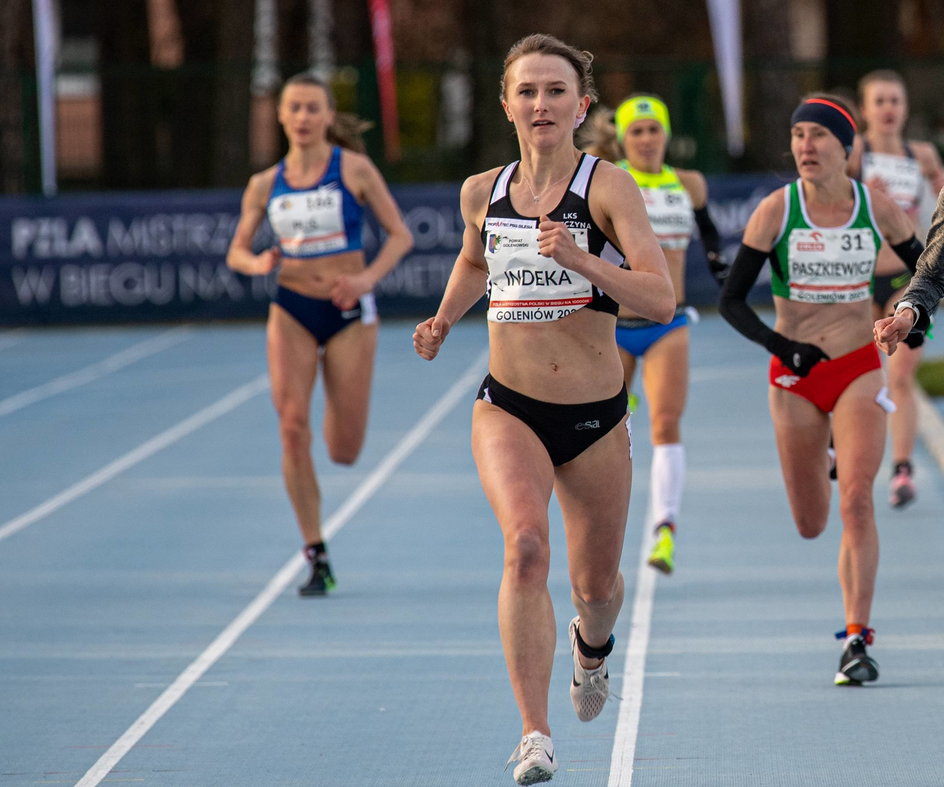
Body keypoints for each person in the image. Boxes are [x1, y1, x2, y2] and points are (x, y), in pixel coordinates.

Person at [413, 34, 674, 785]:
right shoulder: (481, 192)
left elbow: (659, 296)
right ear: (506, 104)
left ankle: (592, 650)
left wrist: (584, 260)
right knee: (525, 547)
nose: (541, 104)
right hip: (509, 406)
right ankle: (534, 733)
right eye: (527, 91)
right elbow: (473, 260)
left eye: (556, 91)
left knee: (597, 589)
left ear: (582, 105)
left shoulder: (608, 188)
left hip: (595, 417)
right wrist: (442, 319)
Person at [719, 95, 923, 686]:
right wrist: (783, 349)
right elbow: (732, 300)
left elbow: (927, 270)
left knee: (858, 499)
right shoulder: (776, 213)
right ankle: (828, 452)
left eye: (818, 136)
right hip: (796, 376)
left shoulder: (877, 209)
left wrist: (913, 316)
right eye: (798, 135)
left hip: (860, 364)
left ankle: (857, 639)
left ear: (846, 147)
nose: (805, 145)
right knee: (811, 522)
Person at [227, 73, 413, 596]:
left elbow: (400, 236)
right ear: (281, 116)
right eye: (295, 108)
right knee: (291, 426)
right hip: (290, 308)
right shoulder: (264, 183)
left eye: (313, 108)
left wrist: (364, 280)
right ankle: (316, 554)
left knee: (343, 450)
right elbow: (236, 251)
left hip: (349, 310)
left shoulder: (352, 169)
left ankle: (337, 398)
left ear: (328, 116)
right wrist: (257, 259)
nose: (304, 118)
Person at [582, 95, 729, 575]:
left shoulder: (689, 184)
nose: (646, 139)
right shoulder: (608, 182)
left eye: (654, 130)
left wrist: (726, 277)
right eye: (637, 131)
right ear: (623, 138)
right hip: (613, 326)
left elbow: (712, 245)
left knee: (665, 425)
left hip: (668, 324)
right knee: (608, 435)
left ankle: (665, 529)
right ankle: (605, 528)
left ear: (666, 134)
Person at [847, 69, 944, 508]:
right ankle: (846, 452)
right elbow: (823, 199)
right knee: (857, 372)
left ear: (905, 109)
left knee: (900, 372)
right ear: (865, 109)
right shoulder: (855, 154)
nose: (888, 109)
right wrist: (862, 195)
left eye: (896, 101)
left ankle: (902, 468)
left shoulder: (921, 155)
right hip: (854, 276)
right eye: (880, 101)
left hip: (907, 273)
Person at [875, 185, 944, 354]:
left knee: (900, 379)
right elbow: (933, 276)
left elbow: (935, 176)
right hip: (868, 281)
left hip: (902, 275)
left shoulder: (923, 157)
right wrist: (908, 312)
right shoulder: (857, 160)